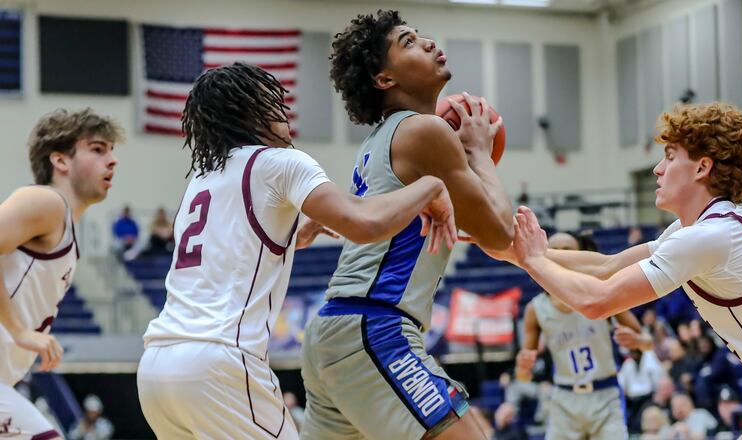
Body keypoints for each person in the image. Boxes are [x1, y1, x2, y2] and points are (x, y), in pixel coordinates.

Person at [136, 62, 458, 440]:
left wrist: (298, 233)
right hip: (218, 362)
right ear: (251, 112)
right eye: (273, 103)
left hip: (156, 369)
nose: (284, 112)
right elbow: (365, 223)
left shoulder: (202, 181)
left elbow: (237, 249)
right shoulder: (281, 162)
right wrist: (431, 186)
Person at [472, 102, 742, 439]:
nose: (657, 169)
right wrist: (514, 252)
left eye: (670, 157)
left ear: (702, 167)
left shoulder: (710, 237)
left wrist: (533, 260)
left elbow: (597, 301)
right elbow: (606, 267)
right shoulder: (703, 230)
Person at [300, 10, 514, 440]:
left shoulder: (379, 140)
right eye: (409, 42)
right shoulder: (425, 132)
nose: (429, 43)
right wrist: (478, 152)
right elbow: (500, 234)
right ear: (384, 79)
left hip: (335, 329)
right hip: (374, 327)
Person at [0, 108, 122, 440]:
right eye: (98, 149)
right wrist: (19, 330)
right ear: (60, 160)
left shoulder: (63, 229)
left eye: (111, 151)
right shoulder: (47, 202)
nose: (112, 160)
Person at [517, 232, 653, 440]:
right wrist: (522, 367)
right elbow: (523, 377)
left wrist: (638, 341)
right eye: (554, 250)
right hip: (564, 400)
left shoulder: (602, 292)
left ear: (580, 256)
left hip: (605, 396)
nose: (560, 256)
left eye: (567, 250)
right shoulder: (535, 309)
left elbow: (648, 343)